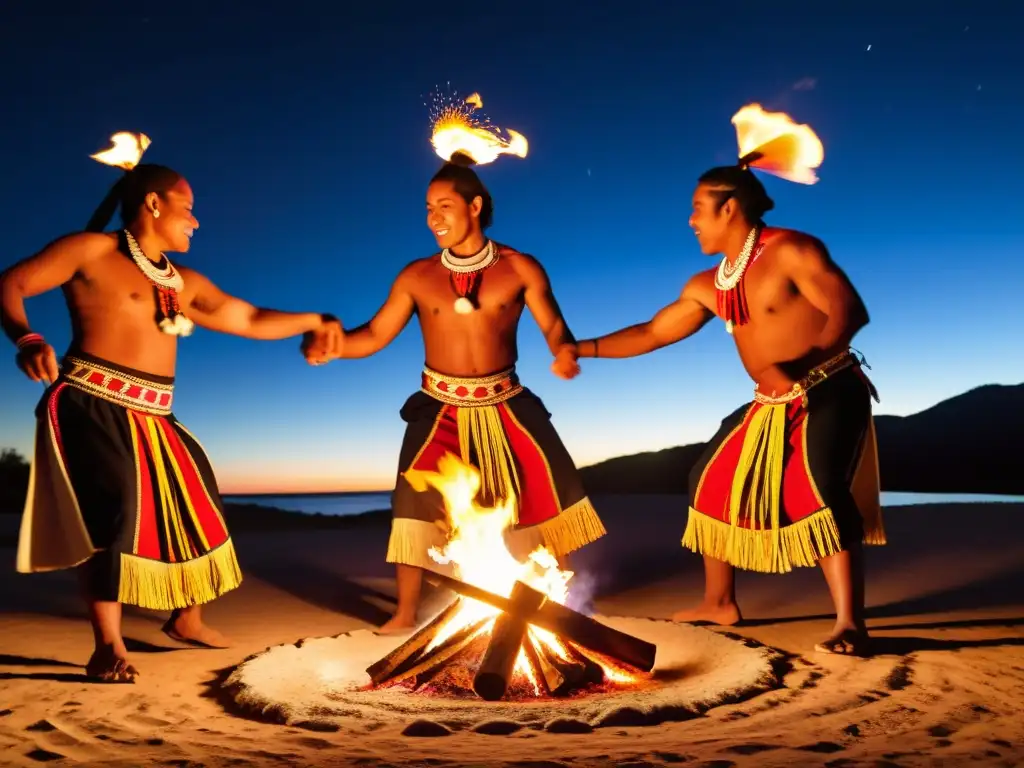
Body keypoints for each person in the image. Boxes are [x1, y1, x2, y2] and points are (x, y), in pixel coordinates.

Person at [1, 134, 342, 682]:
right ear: (154, 204)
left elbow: (249, 318)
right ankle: (108, 646)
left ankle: (187, 619)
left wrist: (315, 319)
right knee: (113, 520)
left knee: (198, 506)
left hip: (156, 415)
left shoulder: (182, 284)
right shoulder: (91, 251)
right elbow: (12, 282)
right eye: (189, 208)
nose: (196, 222)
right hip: (93, 401)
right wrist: (27, 339)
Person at [564, 109, 886, 656]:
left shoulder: (792, 249)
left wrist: (805, 365)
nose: (690, 221)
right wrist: (583, 348)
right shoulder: (710, 284)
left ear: (728, 207)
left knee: (820, 487)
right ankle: (720, 602)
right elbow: (652, 332)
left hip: (830, 386)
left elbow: (848, 311)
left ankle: (850, 623)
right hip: (769, 401)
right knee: (708, 479)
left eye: (697, 209)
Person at [306, 152, 606, 633]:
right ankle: (405, 613)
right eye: (427, 208)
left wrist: (564, 352)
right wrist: (335, 347)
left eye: (444, 206)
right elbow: (375, 334)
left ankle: (558, 601)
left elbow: (554, 325)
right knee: (413, 504)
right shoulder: (416, 276)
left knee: (540, 494)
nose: (433, 218)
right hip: (439, 407)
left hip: (506, 402)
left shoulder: (521, 267)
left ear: (475, 206)